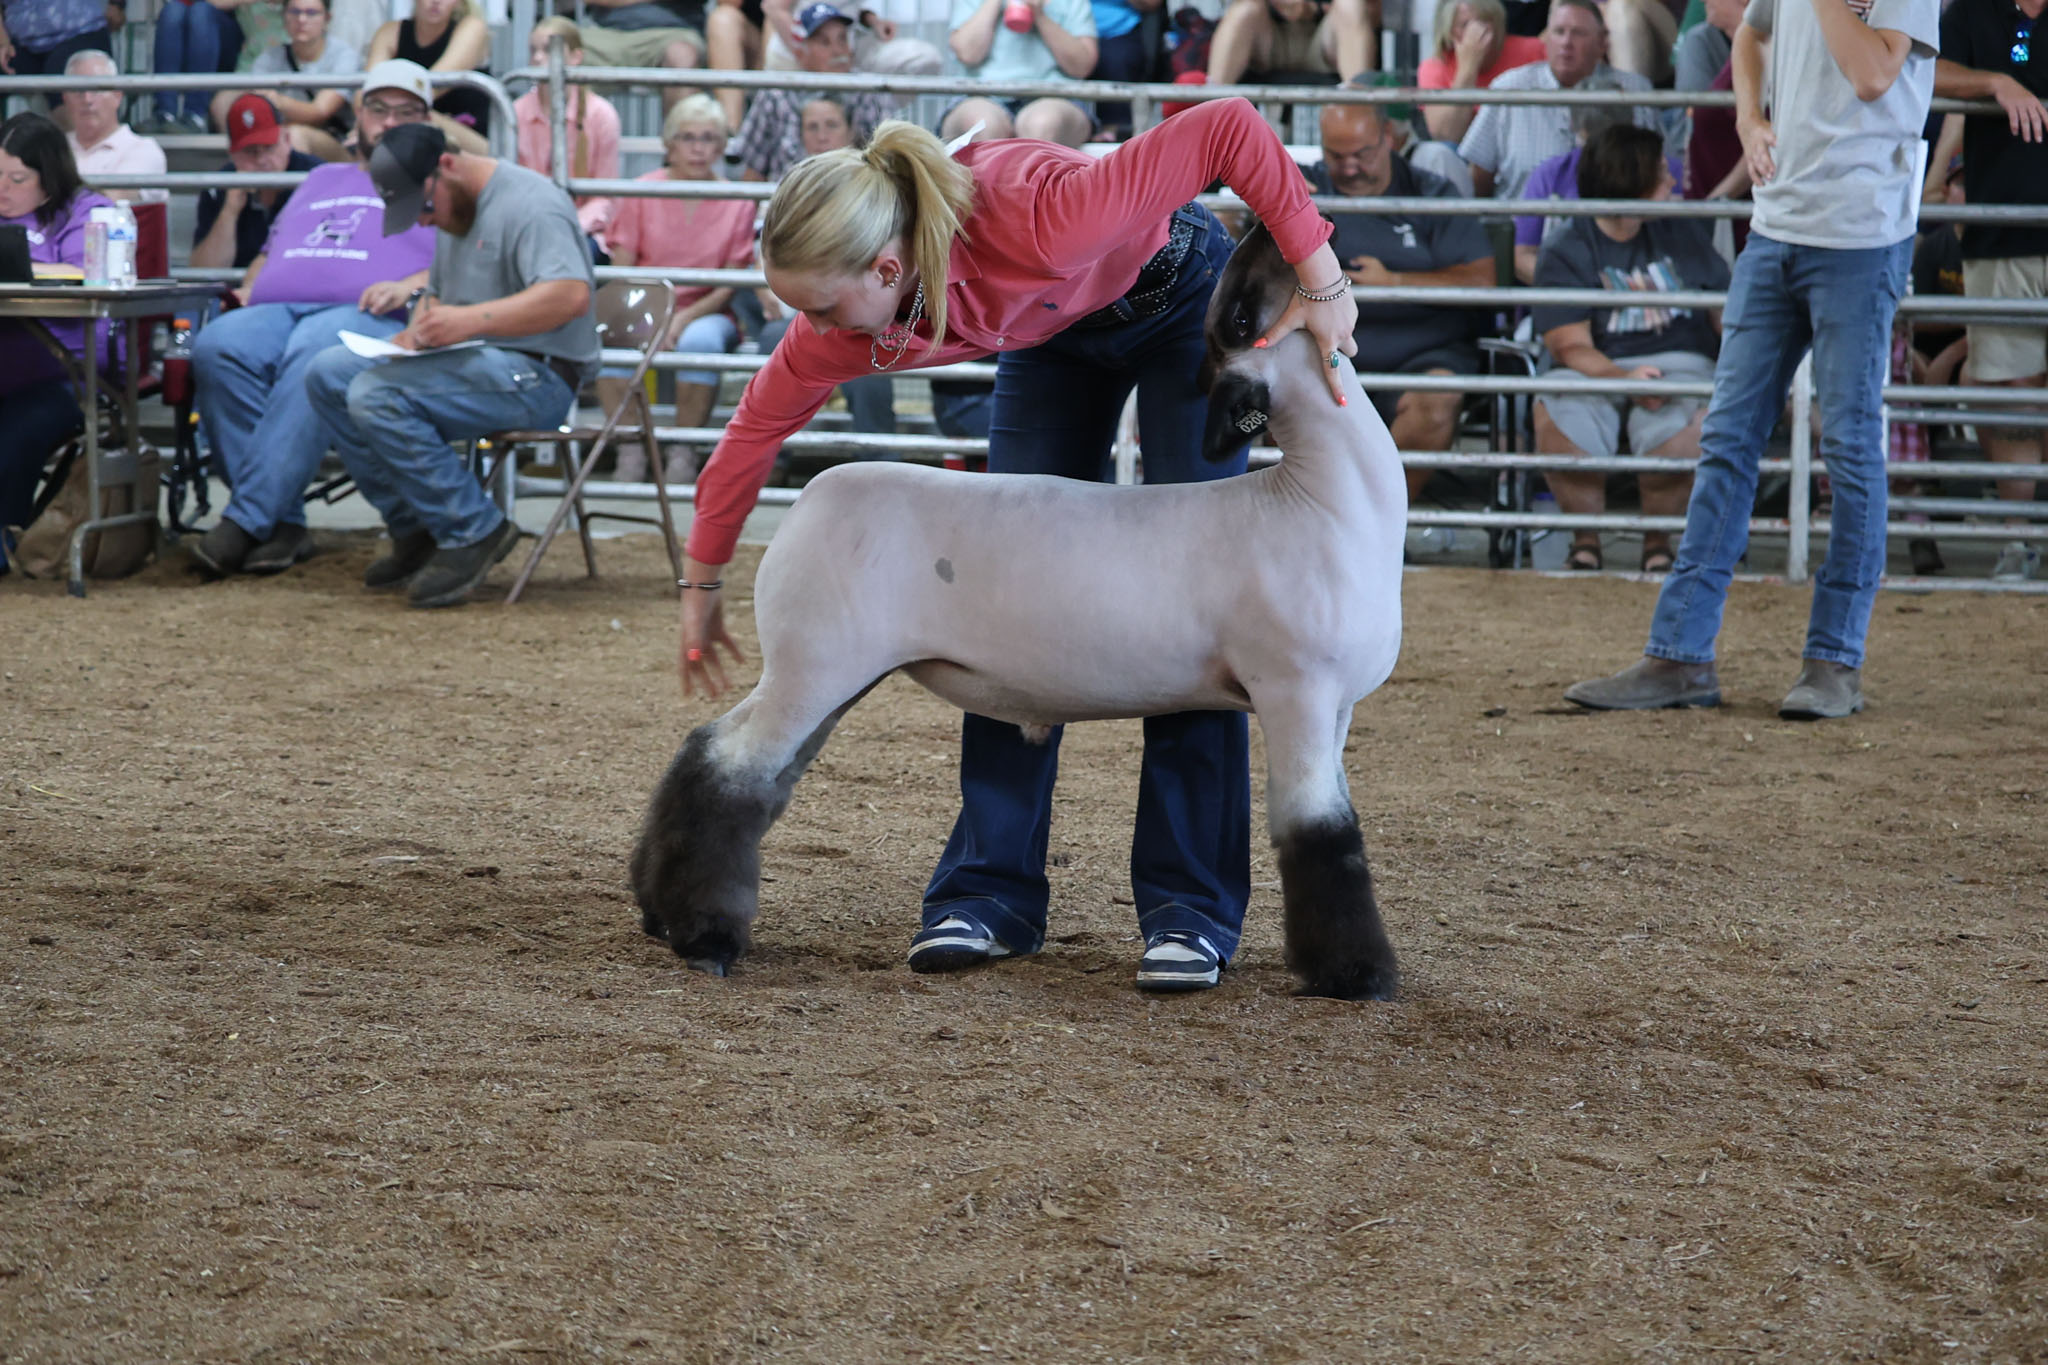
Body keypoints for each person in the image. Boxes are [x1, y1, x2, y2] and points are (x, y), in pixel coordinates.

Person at [674, 100, 1358, 991]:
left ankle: (1190, 908)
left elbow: (1227, 127)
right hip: (1053, 331)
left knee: (1198, 607)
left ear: (887, 268)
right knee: (999, 603)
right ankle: (989, 893)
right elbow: (751, 434)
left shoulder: (1043, 212)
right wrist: (701, 581)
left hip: (1174, 296)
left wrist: (1321, 277)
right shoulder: (852, 317)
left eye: (824, 306)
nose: (816, 330)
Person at [1565, 0, 1939, 721]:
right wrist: (1748, 117)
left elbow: (1871, 74)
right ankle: (1679, 652)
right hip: (1777, 224)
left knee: (1849, 445)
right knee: (1728, 439)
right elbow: (1751, 35)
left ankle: (1835, 658)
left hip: (1862, 232)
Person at [302, 122, 599, 608]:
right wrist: (418, 330)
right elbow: (438, 292)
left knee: (375, 394)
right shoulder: (456, 210)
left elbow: (570, 296)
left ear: (445, 166)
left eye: (423, 207)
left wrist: (467, 321)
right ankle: (416, 525)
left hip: (539, 375)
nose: (422, 222)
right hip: (482, 362)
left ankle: (471, 529)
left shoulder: (533, 204)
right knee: (327, 373)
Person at [185, 61, 440, 579]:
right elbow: (273, 249)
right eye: (379, 109)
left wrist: (411, 285)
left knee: (318, 348)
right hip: (280, 308)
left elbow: (465, 257)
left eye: (406, 112)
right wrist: (251, 287)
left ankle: (246, 520)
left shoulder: (435, 182)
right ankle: (282, 522)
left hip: (372, 311)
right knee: (217, 345)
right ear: (359, 115)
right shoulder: (322, 177)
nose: (390, 122)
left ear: (427, 122)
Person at [1532, 123, 1725, 573]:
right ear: (1631, 182)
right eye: (1661, 173)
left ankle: (1658, 542)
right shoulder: (1567, 247)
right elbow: (1569, 346)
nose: (1672, 180)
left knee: (1685, 423)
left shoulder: (1682, 232)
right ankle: (1585, 543)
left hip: (1680, 361)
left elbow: (1724, 312)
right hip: (1593, 365)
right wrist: (1623, 380)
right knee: (1563, 414)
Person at [1309, 101, 1493, 503]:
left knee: (1437, 398)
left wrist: (1394, 281)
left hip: (1423, 354)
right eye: (1336, 156)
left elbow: (1482, 279)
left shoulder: (1431, 192)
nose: (1350, 168)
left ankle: (1384, 515)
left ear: (1388, 139)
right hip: (1325, 353)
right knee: (1283, 392)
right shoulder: (1303, 191)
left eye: (1362, 154)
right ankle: (1319, 514)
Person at [1934, 0, 2048, 581]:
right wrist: (1994, 82)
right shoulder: (1970, 12)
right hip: (2001, 233)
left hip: (2005, 228)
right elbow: (1925, 70)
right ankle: (2018, 535)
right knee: (2011, 392)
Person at [601, 94, 757, 484]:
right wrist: (656, 314)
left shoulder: (737, 200)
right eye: (688, 137)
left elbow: (730, 281)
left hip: (707, 310)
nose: (698, 148)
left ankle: (684, 451)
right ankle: (631, 449)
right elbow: (622, 270)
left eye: (709, 138)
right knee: (610, 345)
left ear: (721, 147)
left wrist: (681, 318)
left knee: (700, 343)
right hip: (643, 302)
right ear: (669, 144)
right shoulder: (640, 190)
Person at [0, 111, 117, 575]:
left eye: (17, 179)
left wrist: (22, 271)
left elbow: (88, 275)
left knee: (14, 432)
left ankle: (5, 536)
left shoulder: (87, 212)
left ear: (49, 178)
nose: (3, 189)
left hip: (65, 372)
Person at [1457, 0, 1656, 200]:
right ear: (1546, 39)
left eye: (1578, 33)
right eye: (1559, 32)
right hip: (1521, 216)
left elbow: (1660, 171)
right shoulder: (1510, 88)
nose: (1566, 42)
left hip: (1613, 218)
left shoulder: (1635, 90)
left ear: (1602, 41)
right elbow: (1479, 178)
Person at [1512, 80, 1670, 281]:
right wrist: (1579, 286)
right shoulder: (1550, 174)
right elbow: (1522, 258)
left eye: (1614, 146)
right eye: (1593, 146)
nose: (1603, 157)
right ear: (1576, 130)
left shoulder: (1662, 169)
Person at [733, 3, 898, 181]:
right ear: (801, 52)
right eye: (824, 42)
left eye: (842, 39)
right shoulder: (774, 95)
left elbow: (889, 166)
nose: (837, 50)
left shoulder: (872, 90)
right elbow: (753, 172)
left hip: (853, 192)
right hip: (789, 192)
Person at [515, 17, 622, 250]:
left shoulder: (601, 114)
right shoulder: (516, 112)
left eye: (548, 50)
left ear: (576, 57)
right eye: (533, 50)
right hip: (527, 226)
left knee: (573, 254)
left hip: (582, 231)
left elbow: (604, 197)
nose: (538, 58)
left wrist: (569, 227)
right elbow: (511, 190)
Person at [208, 0, 362, 160]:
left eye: (311, 13)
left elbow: (320, 111)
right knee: (224, 100)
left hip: (335, 141)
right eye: (295, 12)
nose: (302, 19)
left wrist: (277, 101)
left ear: (327, 18)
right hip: (282, 137)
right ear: (284, 17)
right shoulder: (269, 57)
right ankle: (242, 163)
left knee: (292, 136)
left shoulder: (343, 56)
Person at [189, 93, 322, 271]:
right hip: (237, 288)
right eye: (250, 151)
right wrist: (230, 211)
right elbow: (204, 272)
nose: (262, 160)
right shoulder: (219, 186)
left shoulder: (317, 177)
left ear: (287, 139)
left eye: (269, 147)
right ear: (232, 154)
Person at [941, 0, 1098, 147]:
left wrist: (1040, 15)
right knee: (982, 125)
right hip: (980, 95)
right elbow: (967, 54)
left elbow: (1082, 67)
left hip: (1056, 96)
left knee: (1043, 123)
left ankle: (1033, 168)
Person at [1417, 0, 1547, 147]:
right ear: (1450, 31)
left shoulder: (1532, 50)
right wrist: (1468, 67)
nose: (1477, 33)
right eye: (1465, 25)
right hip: (1460, 152)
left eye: (1484, 22)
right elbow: (1446, 135)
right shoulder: (1435, 67)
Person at [366, 0, 493, 135]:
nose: (436, 1)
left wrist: (383, 110)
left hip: (469, 135)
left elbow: (430, 88)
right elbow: (363, 92)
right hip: (408, 130)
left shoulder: (473, 26)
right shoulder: (390, 32)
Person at [61, 48, 167, 204]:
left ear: (117, 96)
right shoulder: (54, 147)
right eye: (78, 90)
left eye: (97, 90)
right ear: (65, 98)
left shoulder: (144, 150)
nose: (87, 99)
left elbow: (109, 199)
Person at [574, 0, 707, 115]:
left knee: (682, 55)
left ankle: (681, 135)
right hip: (603, 32)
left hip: (674, 31)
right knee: (565, 50)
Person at [1204, 0, 1377, 86]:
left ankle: (1361, 111)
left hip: (1327, 38)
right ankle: (1210, 109)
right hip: (1268, 37)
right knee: (1243, 10)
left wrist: (1313, 7)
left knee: (1350, 5)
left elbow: (1374, 11)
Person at [150, 0, 243, 131]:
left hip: (229, 39)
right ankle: (164, 113)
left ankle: (196, 115)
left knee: (201, 11)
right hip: (192, 31)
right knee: (172, 11)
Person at [0, 0, 116, 105]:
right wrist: (3, 41)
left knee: (70, 90)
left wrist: (117, 4)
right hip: (19, 39)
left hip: (80, 30)